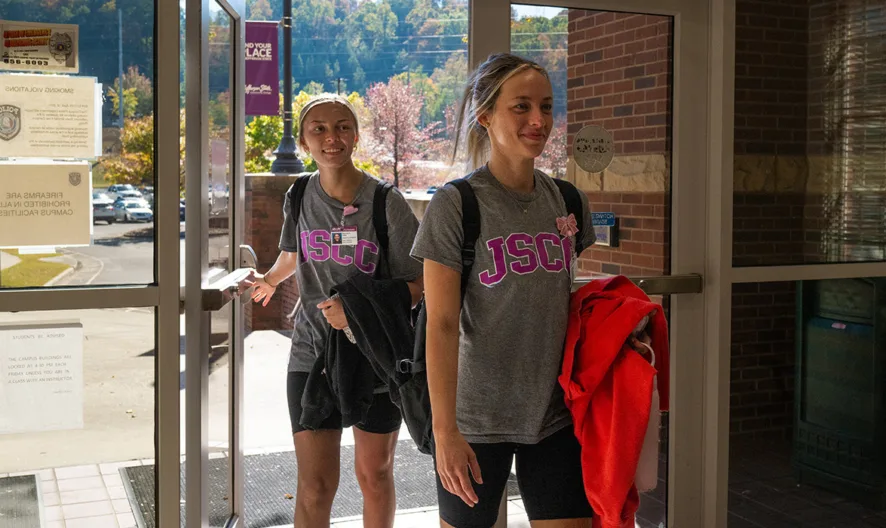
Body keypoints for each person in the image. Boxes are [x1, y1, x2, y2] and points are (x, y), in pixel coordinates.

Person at [410, 53, 598, 528]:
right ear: (486, 115)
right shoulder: (457, 205)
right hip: (474, 424)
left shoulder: (568, 199)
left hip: (554, 415)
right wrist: (444, 430)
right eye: (521, 107)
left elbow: (562, 299)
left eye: (547, 106)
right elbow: (442, 323)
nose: (539, 120)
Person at [246, 93, 424, 528]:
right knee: (316, 485)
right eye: (318, 129)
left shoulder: (386, 203)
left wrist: (359, 312)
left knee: (375, 473)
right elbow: (293, 253)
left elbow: (422, 284)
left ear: (356, 136)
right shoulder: (300, 193)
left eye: (342, 126)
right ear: (305, 141)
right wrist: (268, 280)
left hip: (376, 357)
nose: (332, 137)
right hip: (313, 353)